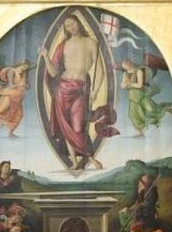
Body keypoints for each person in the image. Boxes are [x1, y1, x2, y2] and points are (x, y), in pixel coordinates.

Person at [43, 14, 117, 170]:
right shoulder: (62, 45)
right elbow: (53, 72)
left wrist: (95, 92)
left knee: (78, 127)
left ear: (79, 23)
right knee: (66, 127)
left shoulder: (91, 43)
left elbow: (100, 72)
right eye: (68, 26)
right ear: (65, 29)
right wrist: (45, 57)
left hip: (80, 90)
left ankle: (90, 157)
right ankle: (75, 162)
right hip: (62, 89)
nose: (71, 27)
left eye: (73, 24)